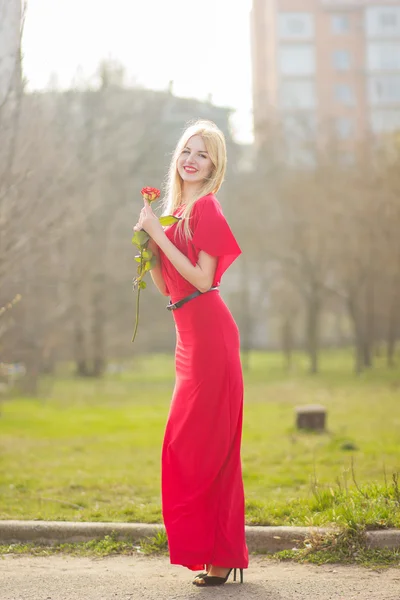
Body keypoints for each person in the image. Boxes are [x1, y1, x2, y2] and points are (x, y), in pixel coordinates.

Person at [133, 120, 249, 587]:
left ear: (214, 165)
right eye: (186, 150)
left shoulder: (207, 208)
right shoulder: (176, 213)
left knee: (210, 448)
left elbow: (204, 280)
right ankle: (211, 549)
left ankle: (223, 555)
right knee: (185, 449)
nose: (191, 160)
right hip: (188, 339)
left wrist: (159, 239)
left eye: (202, 154)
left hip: (212, 339)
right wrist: (148, 249)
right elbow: (168, 287)